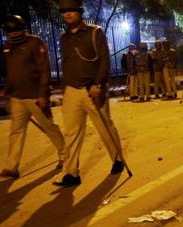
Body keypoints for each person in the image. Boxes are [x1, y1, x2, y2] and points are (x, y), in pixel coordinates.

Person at [55, 0, 126, 187]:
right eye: (64, 11)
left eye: (71, 10)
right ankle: (71, 173)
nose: (67, 14)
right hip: (72, 90)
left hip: (92, 89)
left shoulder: (95, 32)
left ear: (79, 12)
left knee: (105, 127)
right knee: (71, 133)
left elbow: (104, 60)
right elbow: (66, 64)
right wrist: (64, 88)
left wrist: (98, 84)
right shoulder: (64, 37)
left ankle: (117, 159)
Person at [0, 15, 66, 179]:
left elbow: (44, 70)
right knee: (16, 132)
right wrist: (6, 89)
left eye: (15, 30)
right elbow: (11, 71)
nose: (12, 34)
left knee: (49, 127)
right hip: (17, 97)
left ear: (22, 29)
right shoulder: (9, 46)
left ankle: (65, 156)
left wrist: (42, 94)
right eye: (10, 31)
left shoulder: (35, 43)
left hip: (35, 97)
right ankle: (12, 167)